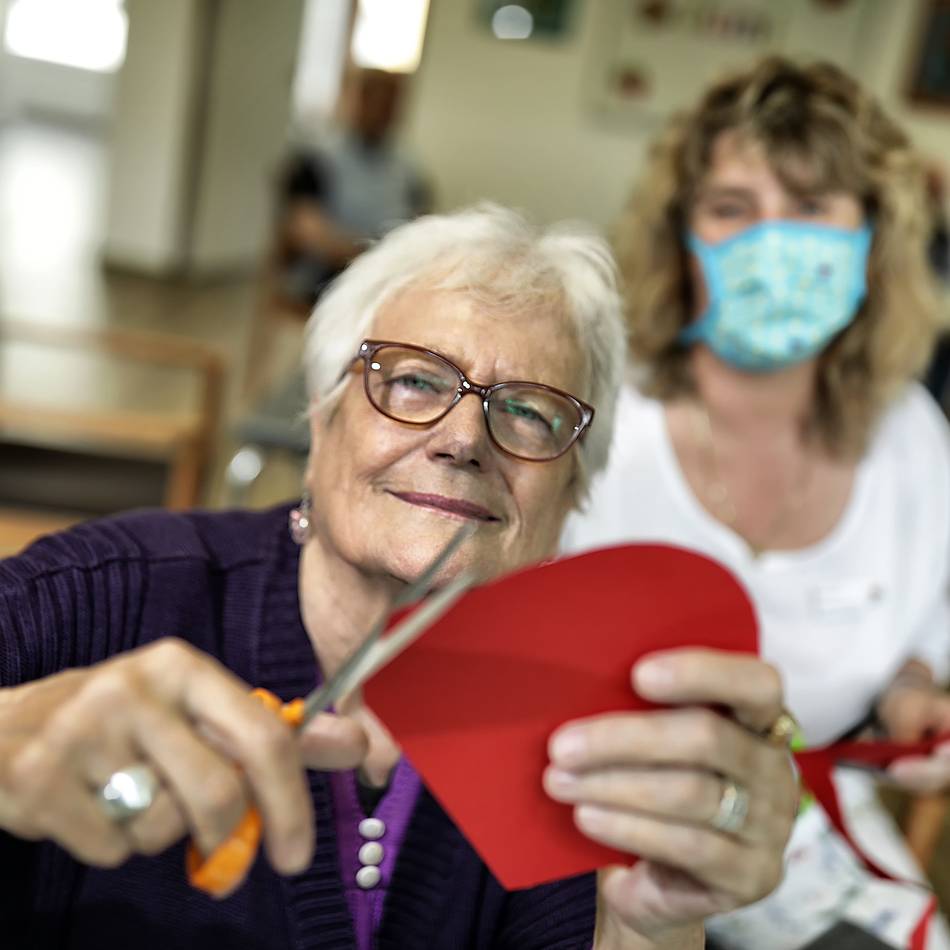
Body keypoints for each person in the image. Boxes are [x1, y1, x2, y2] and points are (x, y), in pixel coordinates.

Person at [0, 205, 797, 949]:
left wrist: (651, 929)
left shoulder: (589, 748)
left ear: (572, 493)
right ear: (322, 418)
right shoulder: (100, 597)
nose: (462, 439)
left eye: (528, 412)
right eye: (415, 380)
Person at [561, 58, 950, 949]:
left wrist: (912, 699)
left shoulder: (914, 441)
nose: (771, 243)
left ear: (874, 238)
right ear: (682, 238)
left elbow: (918, 630)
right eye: (733, 208)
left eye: (811, 207)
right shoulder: (596, 416)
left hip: (808, 841)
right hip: (582, 840)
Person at [276, 67, 432, 310]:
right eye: (371, 98)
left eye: (388, 103)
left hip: (387, 275)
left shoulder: (408, 168)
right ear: (352, 100)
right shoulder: (316, 159)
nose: (379, 110)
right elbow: (306, 230)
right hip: (328, 278)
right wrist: (369, 260)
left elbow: (421, 223)